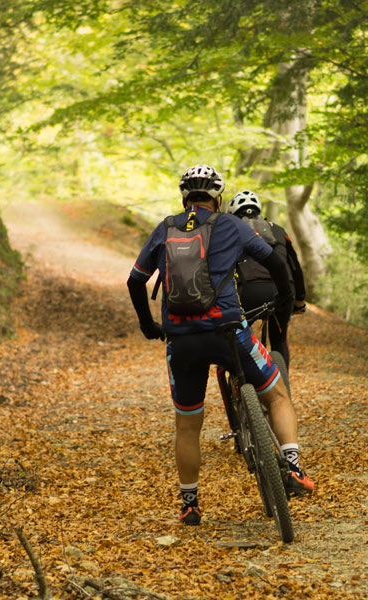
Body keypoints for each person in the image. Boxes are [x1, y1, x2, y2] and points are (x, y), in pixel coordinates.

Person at [126, 164, 315, 526]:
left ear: (184, 198)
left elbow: (135, 281)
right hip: (229, 332)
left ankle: (190, 504)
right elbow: (275, 262)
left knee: (187, 424)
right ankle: (292, 467)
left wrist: (148, 324)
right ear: (219, 198)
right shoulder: (231, 225)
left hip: (182, 341)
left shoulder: (165, 228)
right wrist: (287, 300)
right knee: (276, 394)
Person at [226, 190, 307, 370]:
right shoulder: (278, 230)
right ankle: (282, 391)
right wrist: (299, 299)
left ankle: (245, 386)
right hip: (283, 290)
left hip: (248, 291)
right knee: (279, 341)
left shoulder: (229, 232)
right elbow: (295, 268)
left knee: (241, 336)